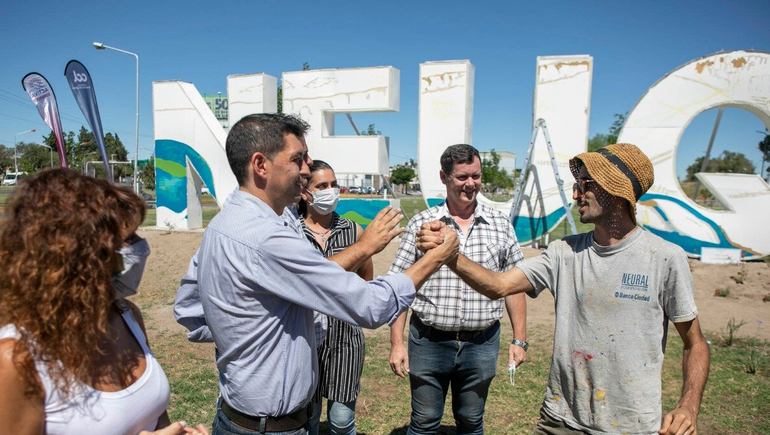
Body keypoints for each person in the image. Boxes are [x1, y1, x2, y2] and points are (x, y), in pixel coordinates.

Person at [418, 143, 711, 435]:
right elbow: (500, 286)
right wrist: (450, 255)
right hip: (558, 420)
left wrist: (689, 406)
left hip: (630, 425)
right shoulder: (563, 252)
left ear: (617, 191)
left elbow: (695, 343)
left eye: (584, 184)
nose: (575, 194)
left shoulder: (664, 258)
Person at [197, 113, 459, 435]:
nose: (307, 168)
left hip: (240, 414)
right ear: (260, 165)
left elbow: (191, 311)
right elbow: (370, 304)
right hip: (268, 428)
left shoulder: (223, 226)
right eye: (298, 158)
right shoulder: (266, 237)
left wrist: (247, 332)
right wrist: (434, 259)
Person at [0, 168, 208, 435]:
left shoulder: (127, 315)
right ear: (76, 254)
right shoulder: (16, 359)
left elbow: (156, 420)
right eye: (128, 240)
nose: (142, 248)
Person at [388, 144, 527, 435]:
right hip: (429, 341)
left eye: (476, 176)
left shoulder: (500, 224)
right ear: (444, 177)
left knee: (471, 421)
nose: (471, 184)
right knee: (424, 421)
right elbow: (400, 286)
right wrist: (397, 343)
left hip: (482, 344)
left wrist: (520, 339)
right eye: (463, 177)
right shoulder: (423, 225)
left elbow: (515, 285)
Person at [297, 160, 369, 435]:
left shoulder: (354, 231)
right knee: (309, 416)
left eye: (334, 184)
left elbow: (366, 280)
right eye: (322, 186)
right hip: (305, 335)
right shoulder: (292, 232)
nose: (331, 191)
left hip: (346, 337)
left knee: (341, 420)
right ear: (306, 193)